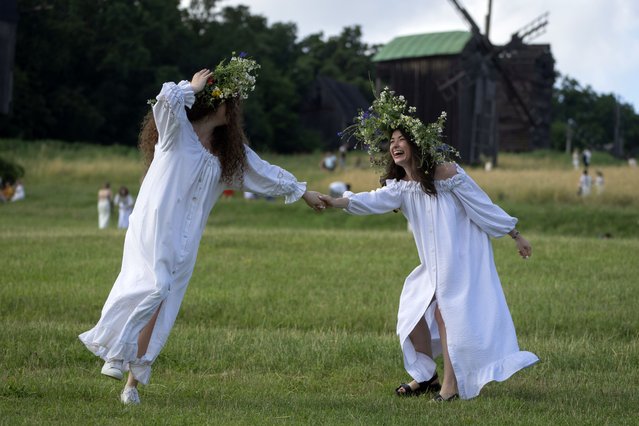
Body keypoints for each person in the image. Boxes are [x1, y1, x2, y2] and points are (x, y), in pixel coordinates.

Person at [79, 53, 325, 406]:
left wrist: (303, 192)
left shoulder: (226, 156)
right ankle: (116, 355)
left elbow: (263, 172)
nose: (235, 111)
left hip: (186, 236)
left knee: (165, 300)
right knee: (155, 285)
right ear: (216, 102)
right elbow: (164, 101)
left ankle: (132, 381)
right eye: (232, 103)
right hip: (155, 223)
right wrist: (191, 87)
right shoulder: (176, 132)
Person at [319, 87, 538, 402]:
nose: (395, 145)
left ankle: (450, 384)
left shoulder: (446, 174)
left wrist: (515, 235)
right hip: (434, 264)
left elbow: (482, 205)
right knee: (411, 311)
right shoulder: (401, 188)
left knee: (444, 315)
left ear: (415, 143)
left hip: (462, 258)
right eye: (391, 141)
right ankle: (428, 376)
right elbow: (369, 200)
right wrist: (334, 201)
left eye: (401, 139)